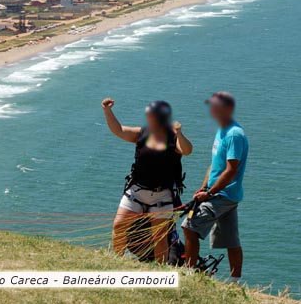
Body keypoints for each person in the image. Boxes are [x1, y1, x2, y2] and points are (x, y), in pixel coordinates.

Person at [102, 97, 193, 263]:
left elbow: (187, 150)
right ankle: (116, 262)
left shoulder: (174, 138)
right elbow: (119, 130)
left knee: (159, 239)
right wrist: (107, 111)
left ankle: (159, 272)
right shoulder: (141, 134)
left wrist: (179, 133)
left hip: (162, 196)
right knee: (119, 226)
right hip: (136, 191)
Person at [182, 92, 248, 283]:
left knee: (189, 227)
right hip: (223, 193)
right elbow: (214, 165)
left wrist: (210, 193)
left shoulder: (234, 134)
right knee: (231, 239)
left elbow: (231, 170)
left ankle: (189, 273)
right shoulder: (222, 131)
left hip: (223, 195)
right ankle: (235, 282)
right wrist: (203, 188)